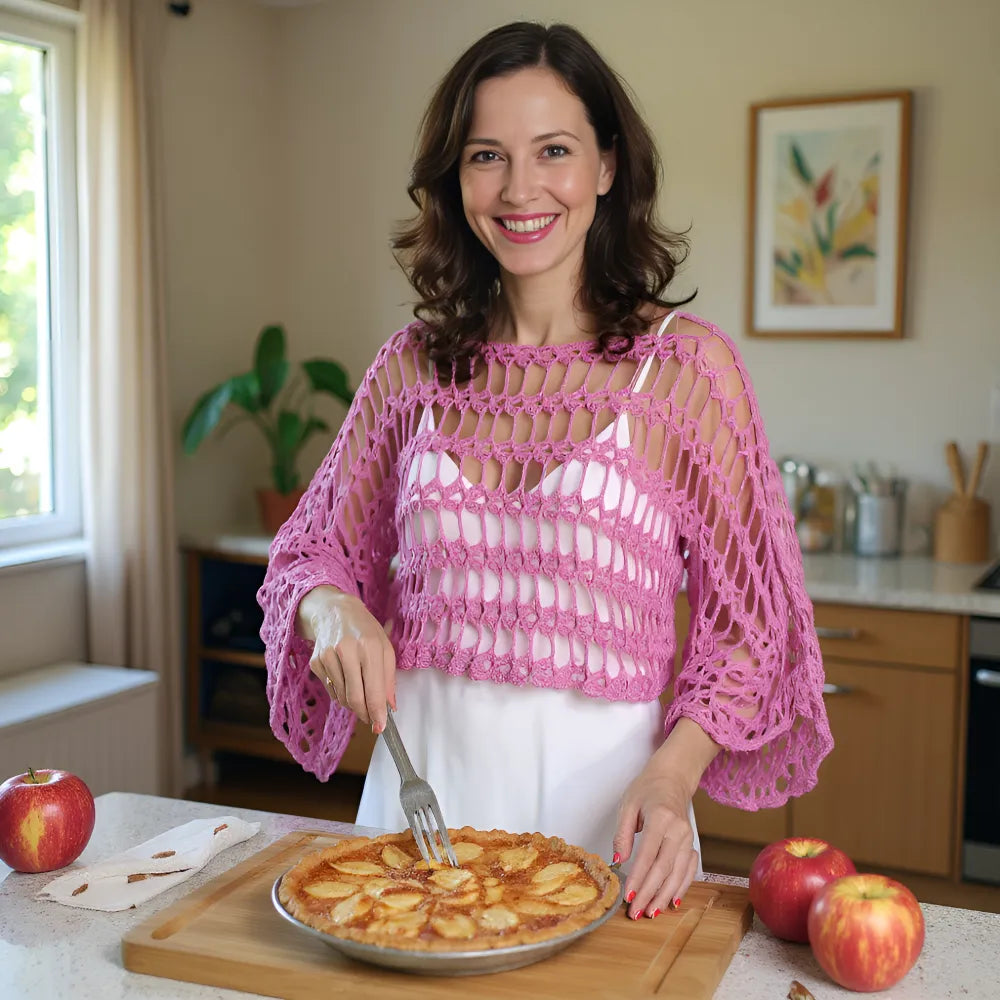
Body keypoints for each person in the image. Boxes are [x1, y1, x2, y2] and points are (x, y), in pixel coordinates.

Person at [257, 21, 832, 923]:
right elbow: (306, 555)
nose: (520, 189)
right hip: (413, 845)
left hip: (607, 846)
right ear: (456, 178)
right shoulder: (410, 369)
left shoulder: (685, 376)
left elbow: (752, 628)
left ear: (606, 165)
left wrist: (676, 782)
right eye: (488, 155)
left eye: (553, 151)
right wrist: (331, 605)